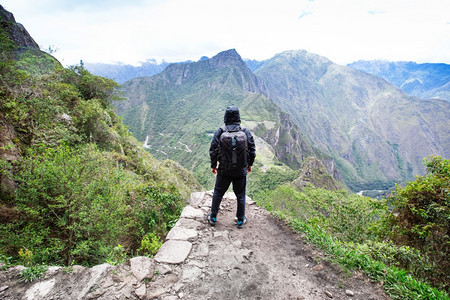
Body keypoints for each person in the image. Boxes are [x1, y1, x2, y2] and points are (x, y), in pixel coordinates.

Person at [207, 106, 256, 229]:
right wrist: (249, 165)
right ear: (238, 117)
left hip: (224, 169)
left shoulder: (220, 131)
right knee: (240, 195)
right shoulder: (245, 131)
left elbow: (213, 150)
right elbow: (252, 150)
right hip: (240, 170)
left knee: (218, 192)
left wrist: (214, 166)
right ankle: (240, 220)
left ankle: (213, 217)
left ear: (226, 117)